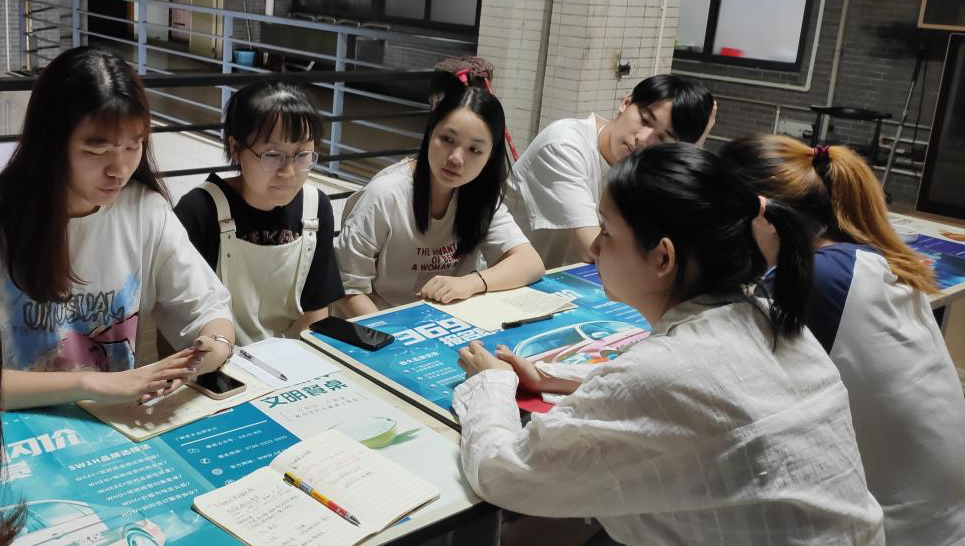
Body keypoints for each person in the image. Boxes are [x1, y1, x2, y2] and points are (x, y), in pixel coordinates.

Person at [454, 143, 884, 545]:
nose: (594, 250)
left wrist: (493, 385)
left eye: (607, 232)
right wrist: (561, 379)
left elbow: (506, 473)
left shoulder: (666, 370)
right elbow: (698, 396)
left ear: (663, 257)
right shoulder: (771, 319)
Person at [720, 134, 965, 546]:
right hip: (941, 518)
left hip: (896, 531)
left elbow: (711, 383)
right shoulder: (867, 258)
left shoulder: (815, 280)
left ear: (760, 215)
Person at [0, 47, 234, 410]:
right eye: (97, 151)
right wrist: (92, 383)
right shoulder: (7, 217)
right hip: (24, 434)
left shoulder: (144, 211)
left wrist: (210, 348)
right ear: (50, 145)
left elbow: (209, 312)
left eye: (133, 145)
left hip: (116, 430)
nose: (120, 169)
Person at [336, 85, 545, 317]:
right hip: (377, 327)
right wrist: (390, 339)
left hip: (443, 324)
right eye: (447, 139)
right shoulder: (384, 195)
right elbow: (348, 291)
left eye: (474, 150)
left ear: (490, 156)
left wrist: (469, 283)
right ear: (430, 133)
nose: (456, 158)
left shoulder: (480, 197)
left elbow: (530, 262)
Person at [175, 81, 343, 345]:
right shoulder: (199, 211)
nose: (288, 173)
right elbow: (176, 319)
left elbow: (316, 313)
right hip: (215, 363)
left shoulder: (316, 207)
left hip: (293, 359)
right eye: (272, 155)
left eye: (302, 156)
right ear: (235, 148)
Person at [505, 74, 715, 268]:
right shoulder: (564, 145)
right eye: (645, 120)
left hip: (581, 287)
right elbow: (594, 250)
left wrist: (692, 150)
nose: (643, 138)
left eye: (661, 138)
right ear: (626, 102)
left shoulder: (647, 167)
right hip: (511, 286)